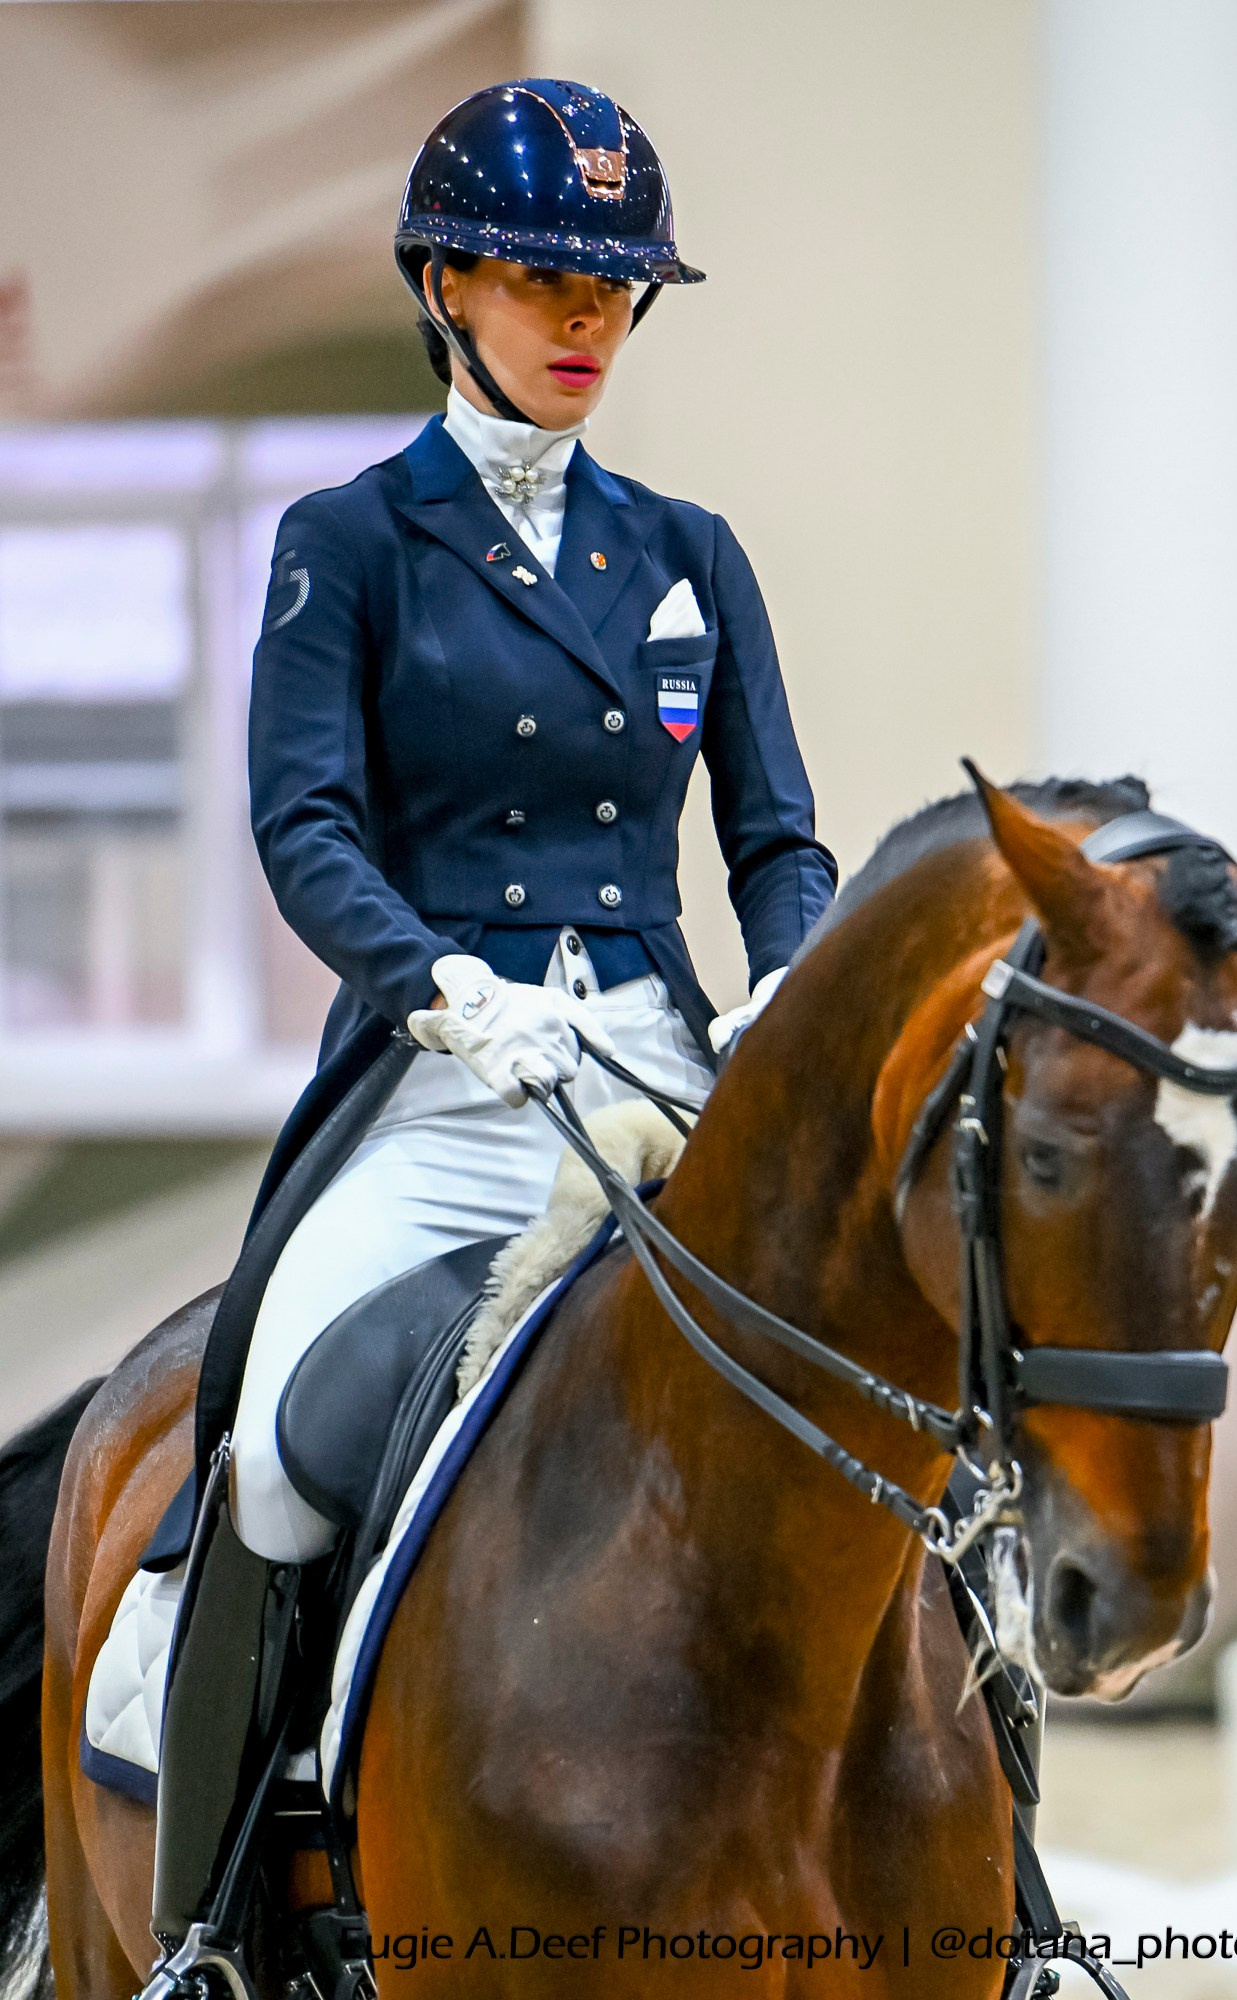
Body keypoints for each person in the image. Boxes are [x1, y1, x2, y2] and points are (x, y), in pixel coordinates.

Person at [140, 78, 836, 1993]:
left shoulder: (689, 545)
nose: (587, 321)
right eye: (545, 279)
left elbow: (776, 834)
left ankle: (999, 1897)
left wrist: (785, 981)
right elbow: (305, 828)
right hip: (449, 1081)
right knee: (276, 1461)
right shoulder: (349, 542)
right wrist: (445, 993)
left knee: (884, 1410)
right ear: (445, 284)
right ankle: (209, 1915)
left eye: (616, 288)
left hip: (666, 1076)